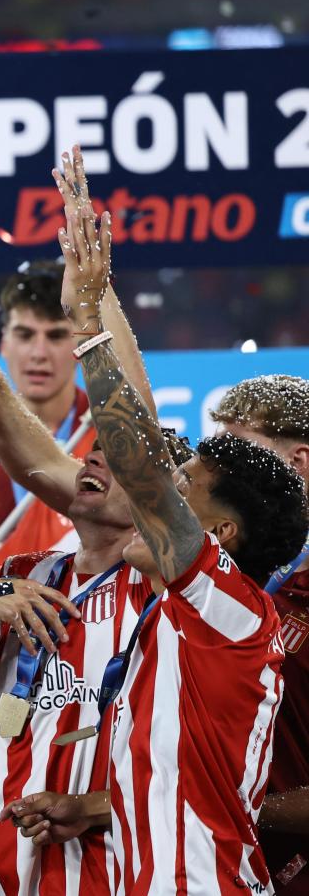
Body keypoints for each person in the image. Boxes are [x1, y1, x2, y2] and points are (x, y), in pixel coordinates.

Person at [3, 189, 309, 894]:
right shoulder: (174, 610)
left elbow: (137, 469)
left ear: (220, 535)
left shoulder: (231, 609)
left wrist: (89, 322)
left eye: (180, 491)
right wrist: (96, 805)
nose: (153, 501)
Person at [0, 148, 160, 894]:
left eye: (116, 460)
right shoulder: (19, 577)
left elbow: (137, 440)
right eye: (92, 459)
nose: (94, 463)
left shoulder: (170, 587)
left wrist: (94, 302)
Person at [211, 374, 309, 892]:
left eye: (239, 454)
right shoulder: (228, 568)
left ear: (298, 462)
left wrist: (222, 805)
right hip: (225, 862)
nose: (221, 474)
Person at [0, 267, 93, 559]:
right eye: (25, 335)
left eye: (56, 336)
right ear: (4, 343)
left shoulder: (111, 436)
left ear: (79, 345)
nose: (39, 353)